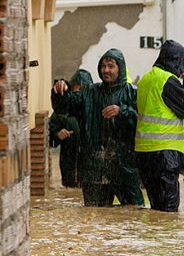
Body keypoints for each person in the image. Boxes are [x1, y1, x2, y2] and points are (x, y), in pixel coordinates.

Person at [52, 50, 143, 207]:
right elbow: (64, 106)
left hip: (125, 168)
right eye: (103, 66)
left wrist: (122, 111)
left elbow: (142, 122)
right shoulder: (89, 93)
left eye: (111, 66)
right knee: (94, 215)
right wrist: (61, 90)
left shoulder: (132, 93)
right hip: (94, 169)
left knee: (135, 212)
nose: (106, 70)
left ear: (120, 68)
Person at [135, 40, 184, 212]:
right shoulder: (166, 81)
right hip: (164, 155)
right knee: (169, 212)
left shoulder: (145, 79)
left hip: (144, 154)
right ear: (177, 61)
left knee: (156, 209)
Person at [49, 69, 93, 188]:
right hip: (68, 174)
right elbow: (50, 141)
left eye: (82, 90)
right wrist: (57, 135)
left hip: (90, 175)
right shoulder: (61, 113)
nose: (79, 94)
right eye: (76, 89)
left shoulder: (95, 111)